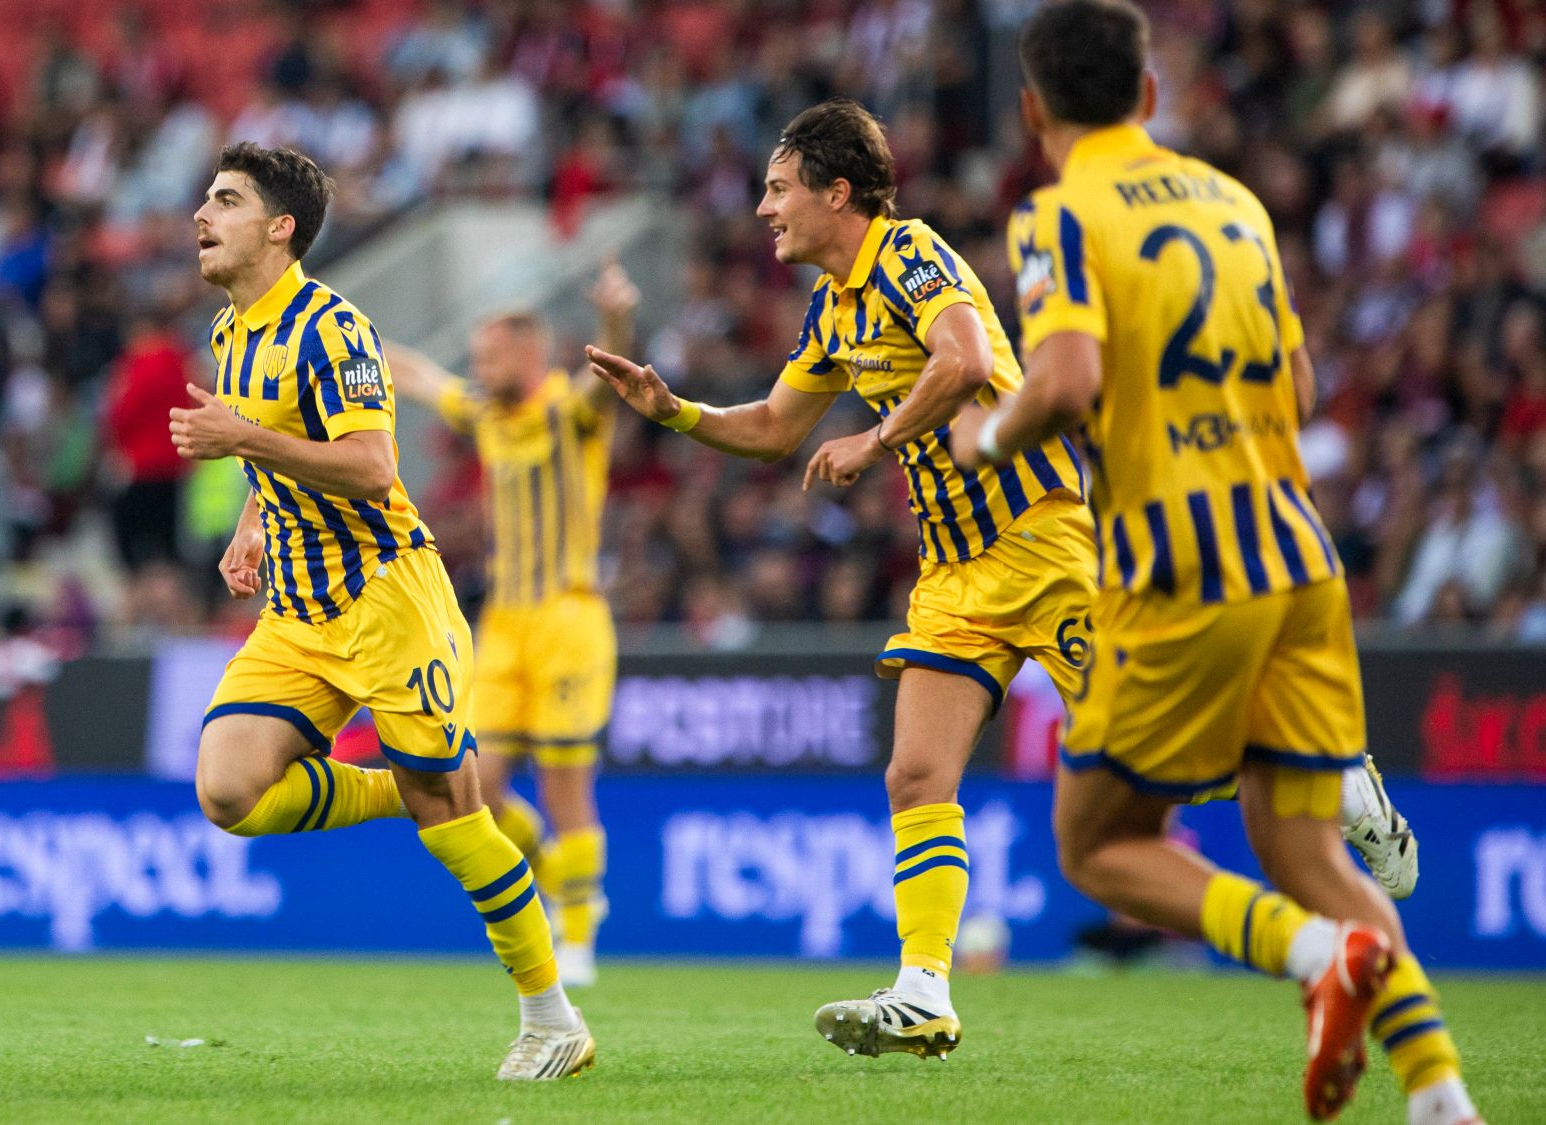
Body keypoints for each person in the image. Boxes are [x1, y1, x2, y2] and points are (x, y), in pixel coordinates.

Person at [945, 5, 1477, 1123]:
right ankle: (1440, 1098)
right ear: (1148, 96)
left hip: (1180, 565)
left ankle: (1314, 954)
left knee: (1098, 844)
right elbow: (1299, 385)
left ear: (1032, 111)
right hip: (1297, 556)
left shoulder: (1058, 215)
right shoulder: (1235, 203)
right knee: (1305, 851)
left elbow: (1066, 380)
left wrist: (984, 436)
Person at [588, 97, 1099, 1062]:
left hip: (1040, 538)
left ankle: (1328, 774)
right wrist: (673, 410)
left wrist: (876, 437)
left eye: (779, 188)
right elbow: (773, 428)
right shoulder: (832, 308)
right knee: (915, 773)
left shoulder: (909, 253)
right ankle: (924, 991)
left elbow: (966, 360)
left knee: (1163, 753)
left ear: (838, 193)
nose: (763, 209)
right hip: (955, 572)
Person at [168, 142, 594, 1081]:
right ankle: (408, 786)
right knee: (228, 790)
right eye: (206, 198)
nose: (202, 214)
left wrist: (243, 437)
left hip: (389, 598)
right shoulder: (233, 332)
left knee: (457, 825)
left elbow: (372, 466)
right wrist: (251, 521)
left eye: (226, 200)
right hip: (300, 611)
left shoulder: (332, 327)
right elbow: (282, 444)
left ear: (280, 228)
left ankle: (553, 1018)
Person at [386, 264, 638, 988]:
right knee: (477, 785)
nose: (480, 367)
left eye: (491, 356)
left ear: (531, 354)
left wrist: (616, 320)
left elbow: (608, 379)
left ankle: (579, 940)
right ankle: (561, 878)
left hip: (569, 618)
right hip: (503, 623)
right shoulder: (486, 412)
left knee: (564, 785)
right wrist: (350, 342)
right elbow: (421, 376)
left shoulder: (568, 411)